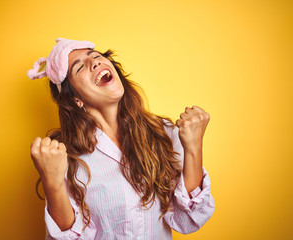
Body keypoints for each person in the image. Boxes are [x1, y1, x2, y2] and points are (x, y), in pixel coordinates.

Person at [27, 38, 215, 239]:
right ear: (75, 99)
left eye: (97, 57)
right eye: (80, 67)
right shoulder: (63, 157)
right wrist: (53, 183)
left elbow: (188, 219)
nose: (96, 63)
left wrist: (194, 146)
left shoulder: (163, 133)